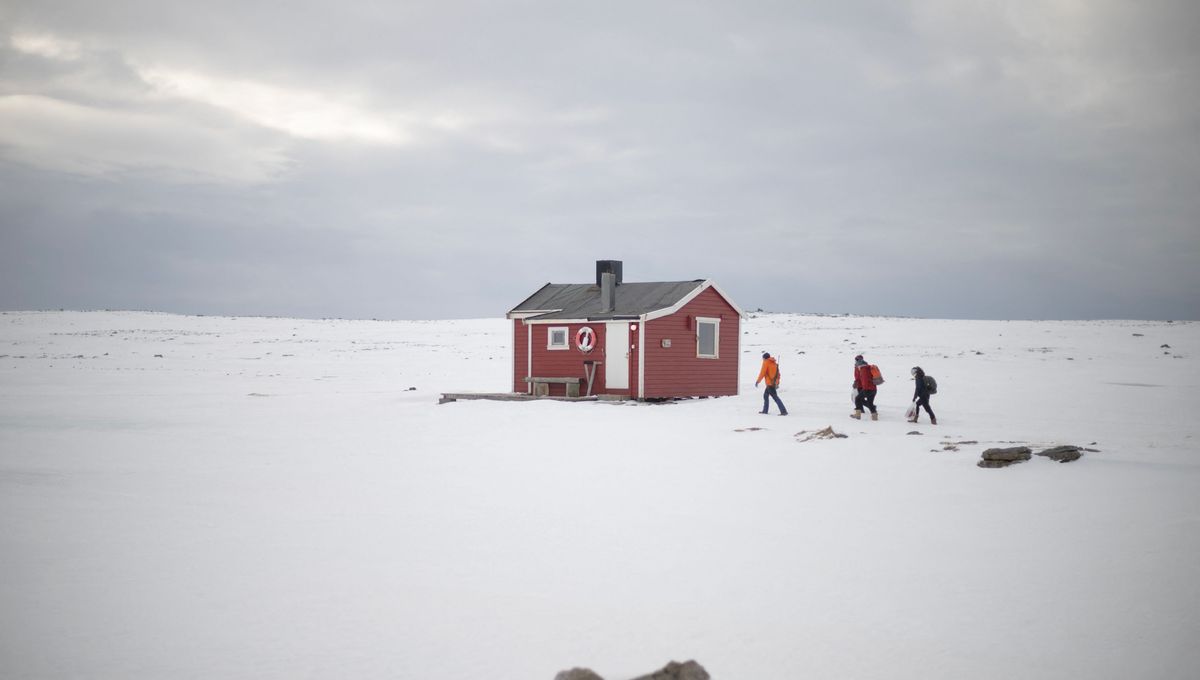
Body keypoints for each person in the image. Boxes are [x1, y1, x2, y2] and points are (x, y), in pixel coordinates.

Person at [851, 354, 878, 420]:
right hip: (874, 389)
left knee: (857, 399)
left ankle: (858, 415)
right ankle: (874, 417)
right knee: (869, 402)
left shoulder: (863, 370)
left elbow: (864, 380)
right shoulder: (868, 367)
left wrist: (864, 389)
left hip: (867, 388)